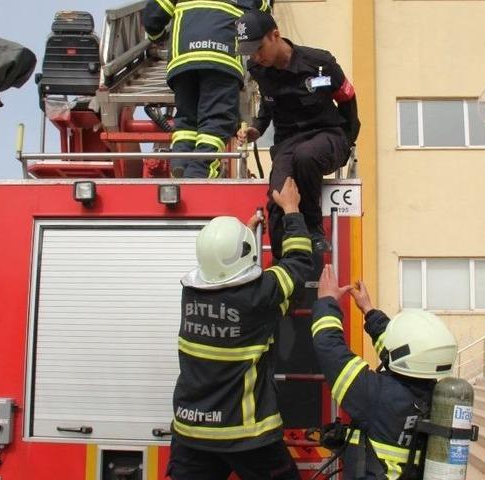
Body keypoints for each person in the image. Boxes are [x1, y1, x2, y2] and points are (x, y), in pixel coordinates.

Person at [169, 177, 312, 479]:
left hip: (191, 432)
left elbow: (229, 284)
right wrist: (291, 209)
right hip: (247, 435)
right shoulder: (258, 295)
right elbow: (299, 264)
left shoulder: (190, 293)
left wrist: (242, 245)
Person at [311, 265, 457, 479]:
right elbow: (396, 353)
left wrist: (327, 301)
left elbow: (329, 347)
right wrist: (369, 310)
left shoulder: (375, 395)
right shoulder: (433, 394)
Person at [234, 10, 361, 258]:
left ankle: (314, 231)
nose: (255, 56)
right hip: (288, 143)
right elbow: (268, 104)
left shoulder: (320, 64)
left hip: (327, 134)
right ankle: (285, 261)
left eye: (258, 48)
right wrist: (256, 129)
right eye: (249, 52)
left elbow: (348, 100)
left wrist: (347, 142)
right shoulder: (258, 69)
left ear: (275, 35)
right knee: (278, 195)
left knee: (306, 156)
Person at [142, 0, 271, 179]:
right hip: (221, 58)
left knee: (187, 121)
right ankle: (200, 171)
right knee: (217, 121)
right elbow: (264, 17)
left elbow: (152, 19)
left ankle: (181, 163)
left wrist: (158, 37)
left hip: (183, 59)